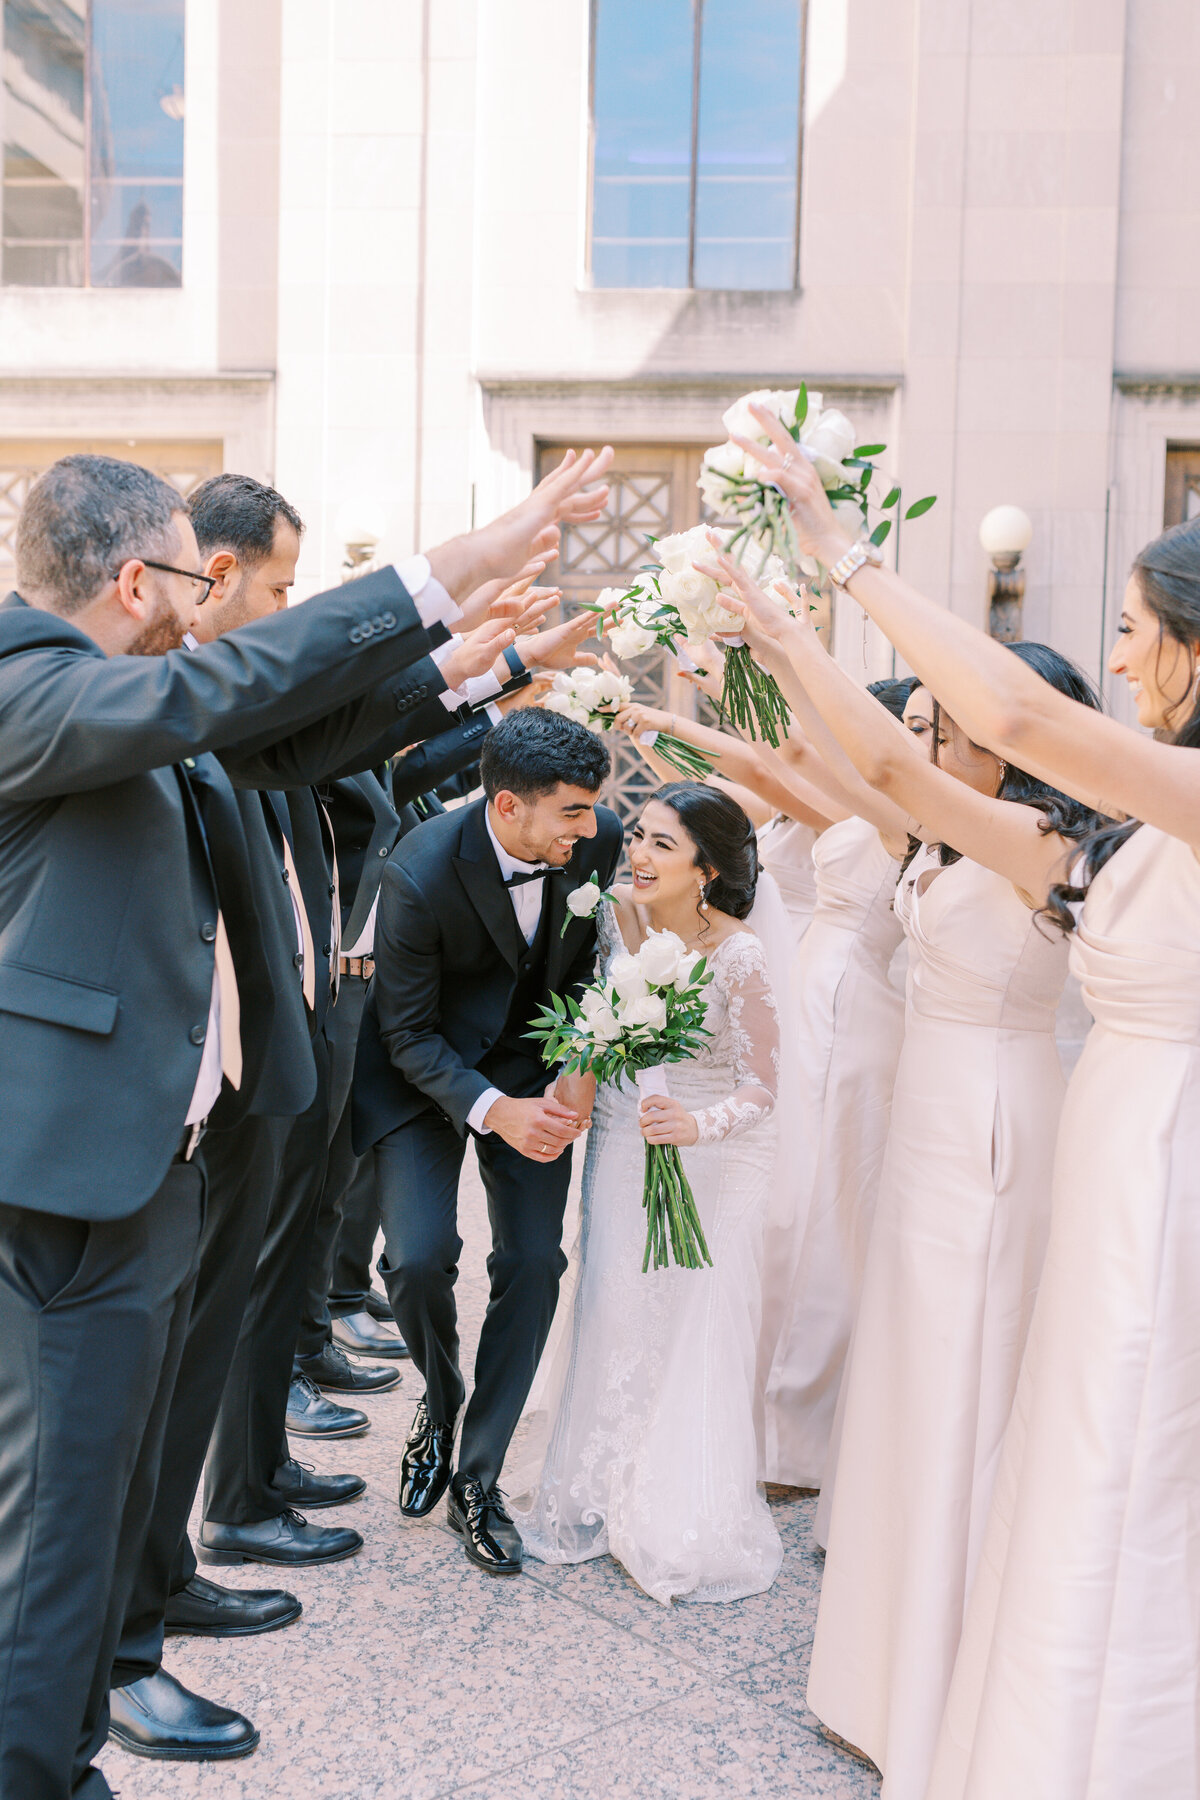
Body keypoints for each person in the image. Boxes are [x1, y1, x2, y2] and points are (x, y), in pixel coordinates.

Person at [0, 443, 613, 1800]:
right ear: (130, 576)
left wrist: (472, 654)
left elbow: (307, 733)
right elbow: (243, 684)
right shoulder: (28, 684)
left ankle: (70, 1735)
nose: (212, 597)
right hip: (71, 1176)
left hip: (152, 1156)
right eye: (192, 572)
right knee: (54, 1524)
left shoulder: (129, 696)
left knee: (93, 1506)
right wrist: (461, 559)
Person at [734, 415, 1200, 1799]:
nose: (1117, 659)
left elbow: (1013, 718)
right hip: (1112, 1147)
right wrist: (788, 637)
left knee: (1134, 1445)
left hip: (1169, 1155)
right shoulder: (1106, 836)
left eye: (1131, 629)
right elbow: (904, 777)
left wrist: (845, 548)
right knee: (1072, 1442)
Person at [707, 541, 1105, 1800]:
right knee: (915, 1363)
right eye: (927, 728)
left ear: (1007, 737)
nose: (925, 748)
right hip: (933, 1104)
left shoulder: (1039, 837)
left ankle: (960, 1662)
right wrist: (751, 661)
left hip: (992, 1115)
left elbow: (871, 761)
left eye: (948, 726)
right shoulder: (946, 834)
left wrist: (794, 617)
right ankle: (888, 1661)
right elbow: (825, 769)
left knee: (969, 1373)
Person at [353, 707, 623, 1574]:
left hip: (535, 1069)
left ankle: (481, 1471)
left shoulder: (597, 839)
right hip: (425, 1076)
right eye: (572, 813)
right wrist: (490, 1108)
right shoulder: (420, 872)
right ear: (508, 807)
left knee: (536, 1262)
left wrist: (574, 1068)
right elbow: (406, 1034)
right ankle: (441, 1395)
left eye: (590, 811)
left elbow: (586, 972)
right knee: (419, 1260)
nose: (590, 830)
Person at [511, 783, 788, 1604]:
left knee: (689, 1315)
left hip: (712, 1154)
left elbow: (765, 1086)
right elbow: (597, 1039)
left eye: (662, 844)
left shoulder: (741, 955)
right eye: (636, 835)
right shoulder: (619, 922)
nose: (635, 853)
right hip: (625, 1142)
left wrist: (698, 1127)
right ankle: (597, 1480)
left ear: (706, 869)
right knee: (616, 1301)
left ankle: (671, 1504)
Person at [759, 678, 914, 1489]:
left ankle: (797, 1431)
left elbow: (774, 756)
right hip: (815, 982)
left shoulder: (897, 811)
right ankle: (772, 1407)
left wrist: (769, 655)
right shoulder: (858, 800)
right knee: (795, 1193)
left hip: (848, 996)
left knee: (822, 1200)